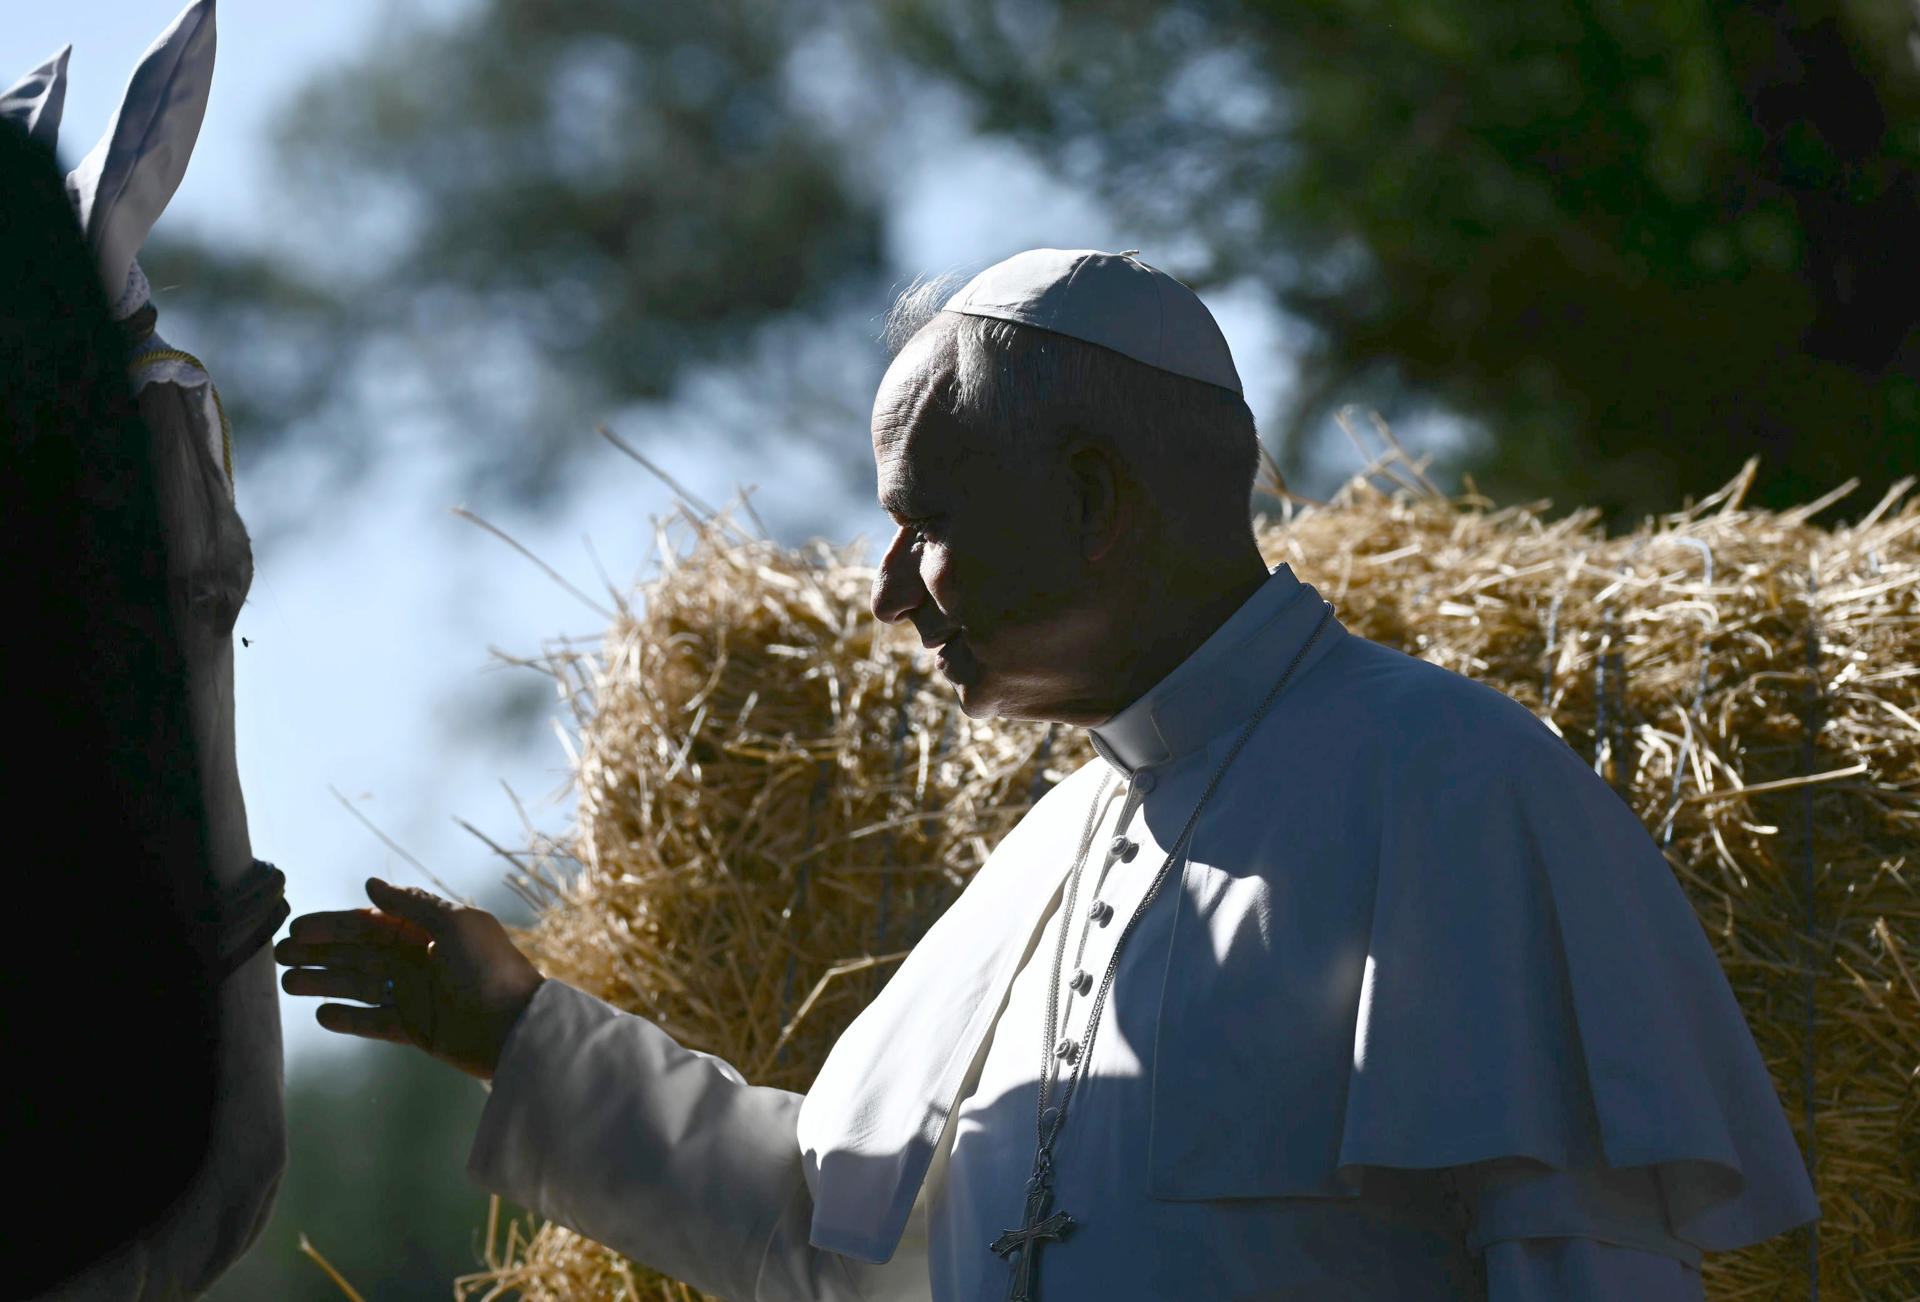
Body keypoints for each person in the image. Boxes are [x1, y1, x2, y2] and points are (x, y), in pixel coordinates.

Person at [278, 249, 1819, 1301]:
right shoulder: (1043, 860)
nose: (888, 589)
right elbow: (833, 1234)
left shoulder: (1460, 794)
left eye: (923, 521)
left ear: (1097, 501)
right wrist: (522, 1037)